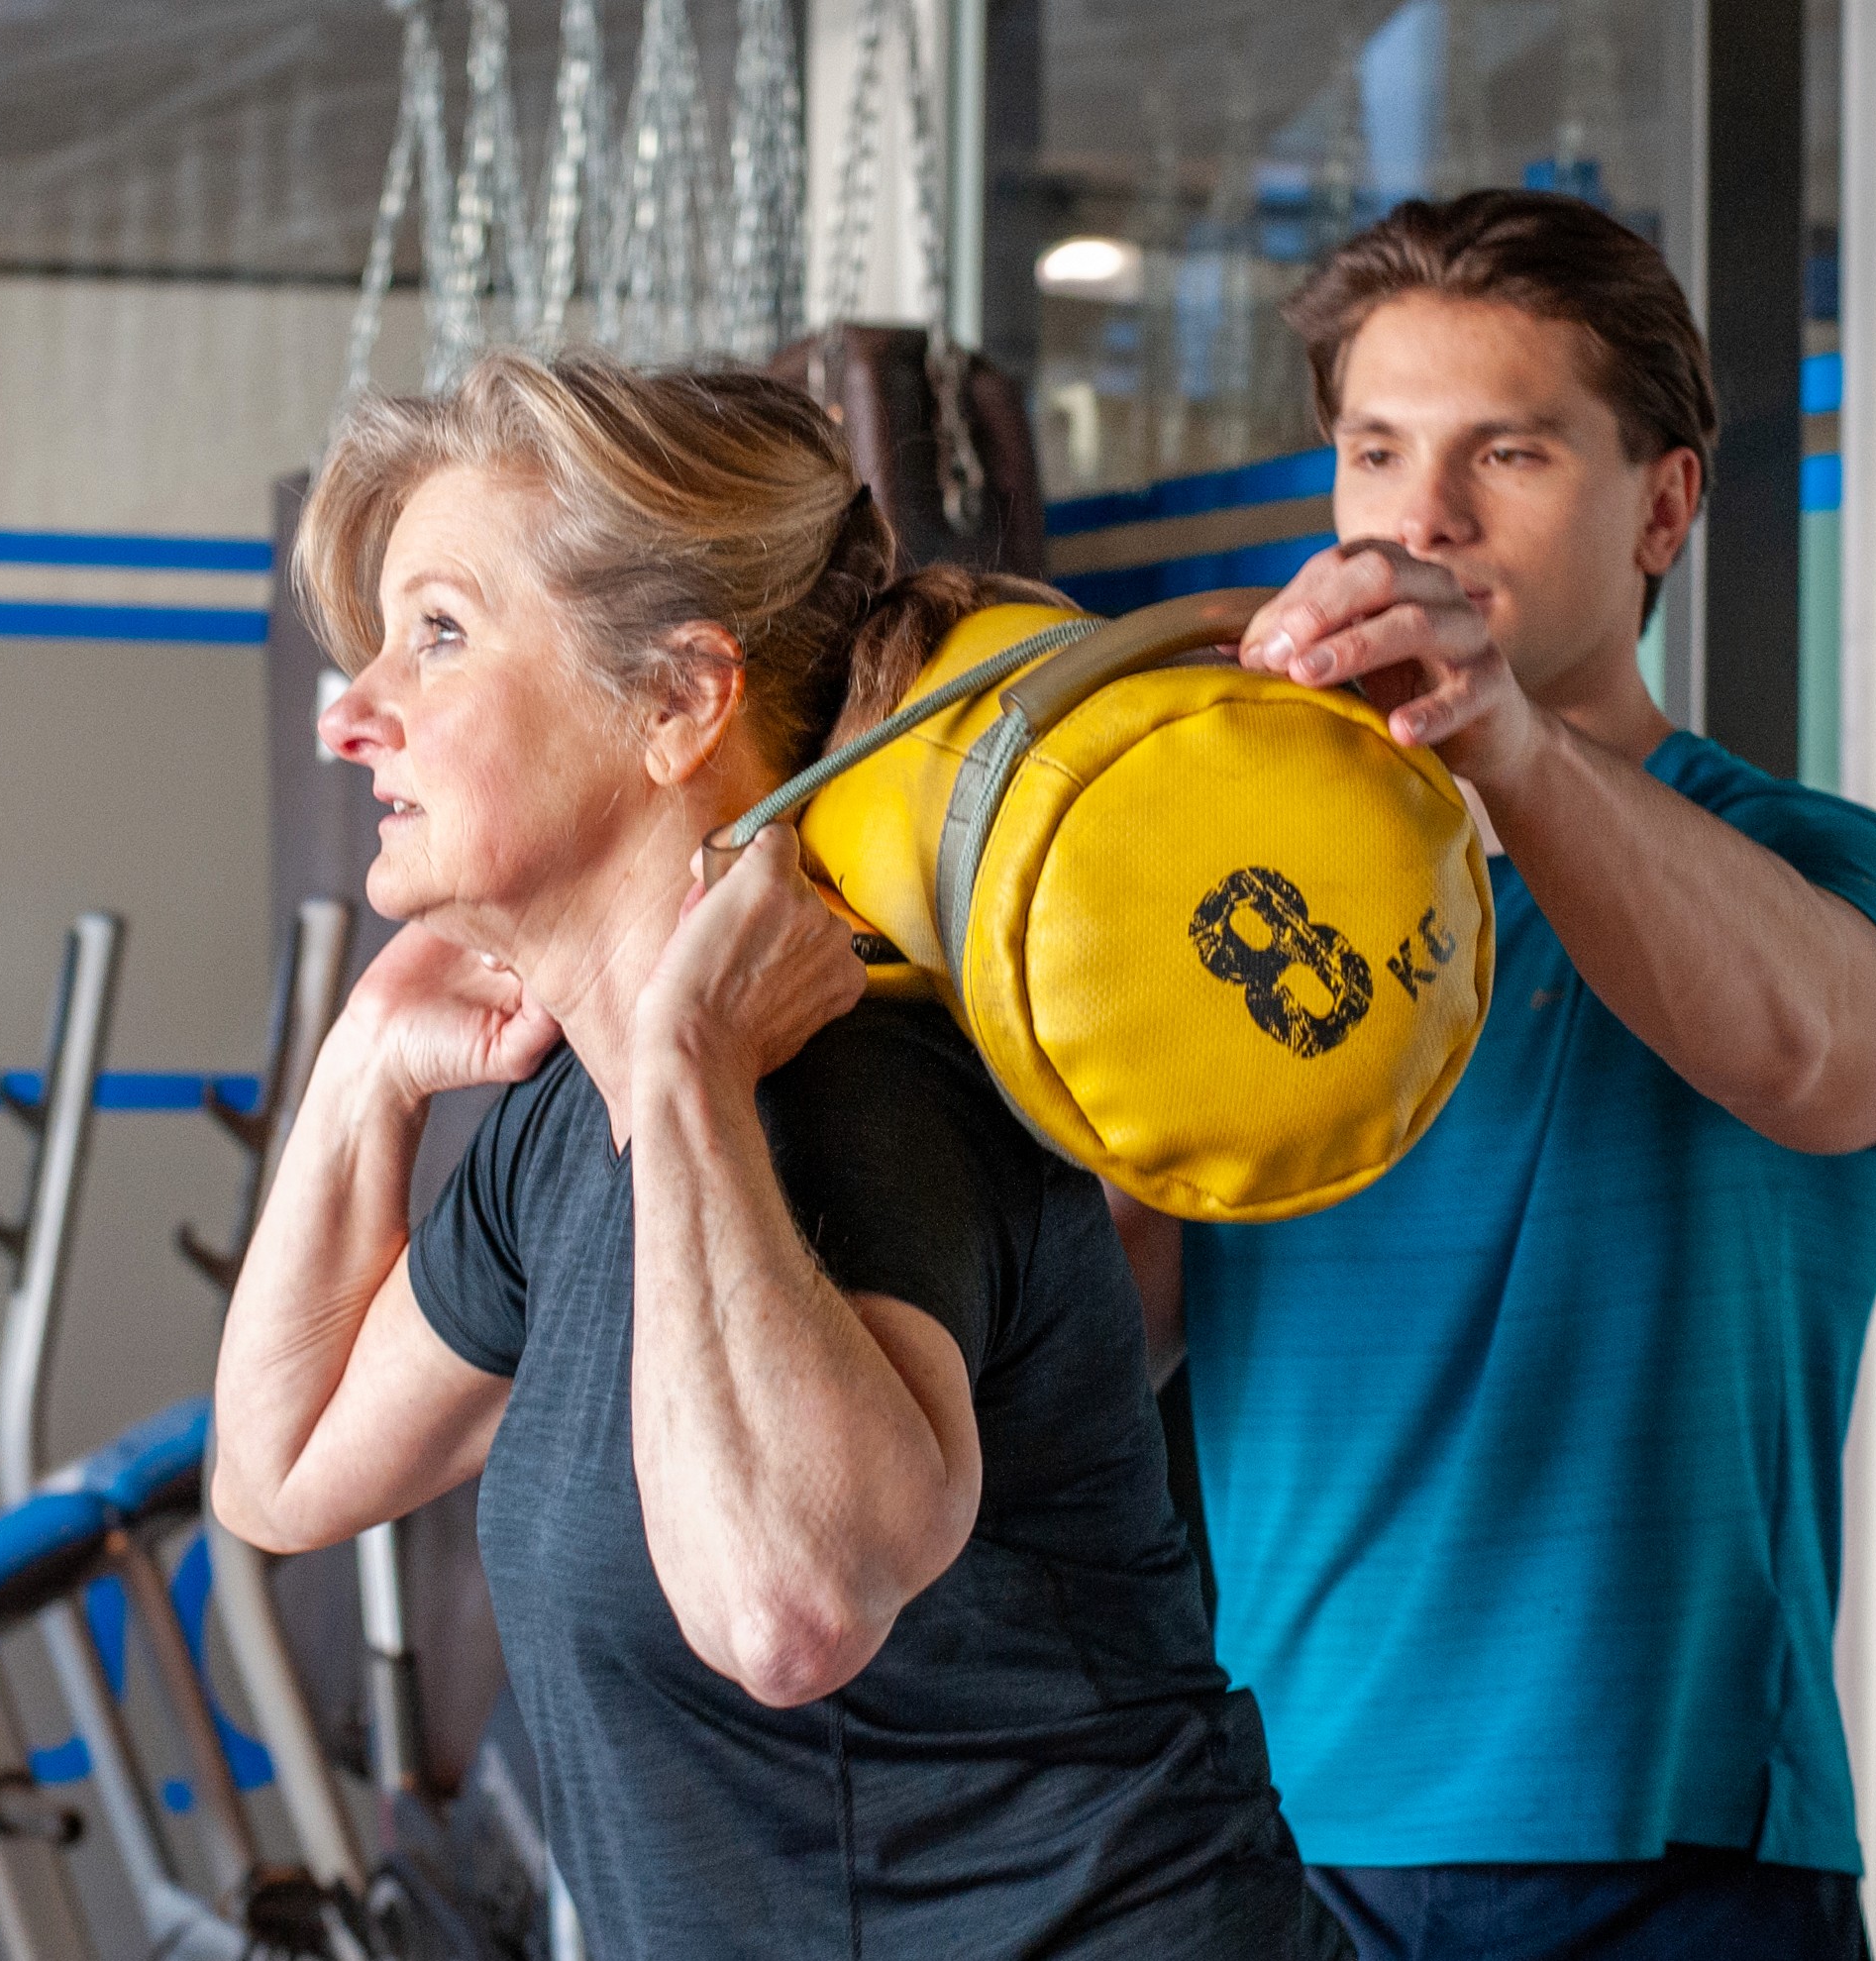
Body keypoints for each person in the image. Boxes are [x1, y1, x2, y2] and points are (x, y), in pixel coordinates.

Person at [211, 349, 1348, 1961]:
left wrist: (685, 1066)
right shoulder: (567, 1129)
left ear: (679, 702)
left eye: (440, 635)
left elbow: (788, 1612)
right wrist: (359, 1078)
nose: (356, 713)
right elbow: (283, 1471)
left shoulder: (868, 1099)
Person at [1111, 189, 1876, 1959]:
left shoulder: (1811, 865)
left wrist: (1502, 744)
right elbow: (1117, 1328)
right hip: (1278, 1839)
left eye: (1509, 453)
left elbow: (1829, 1062)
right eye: (1376, 452)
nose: (1423, 519)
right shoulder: (1251, 896)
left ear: (1663, 506)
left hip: (1682, 1861)